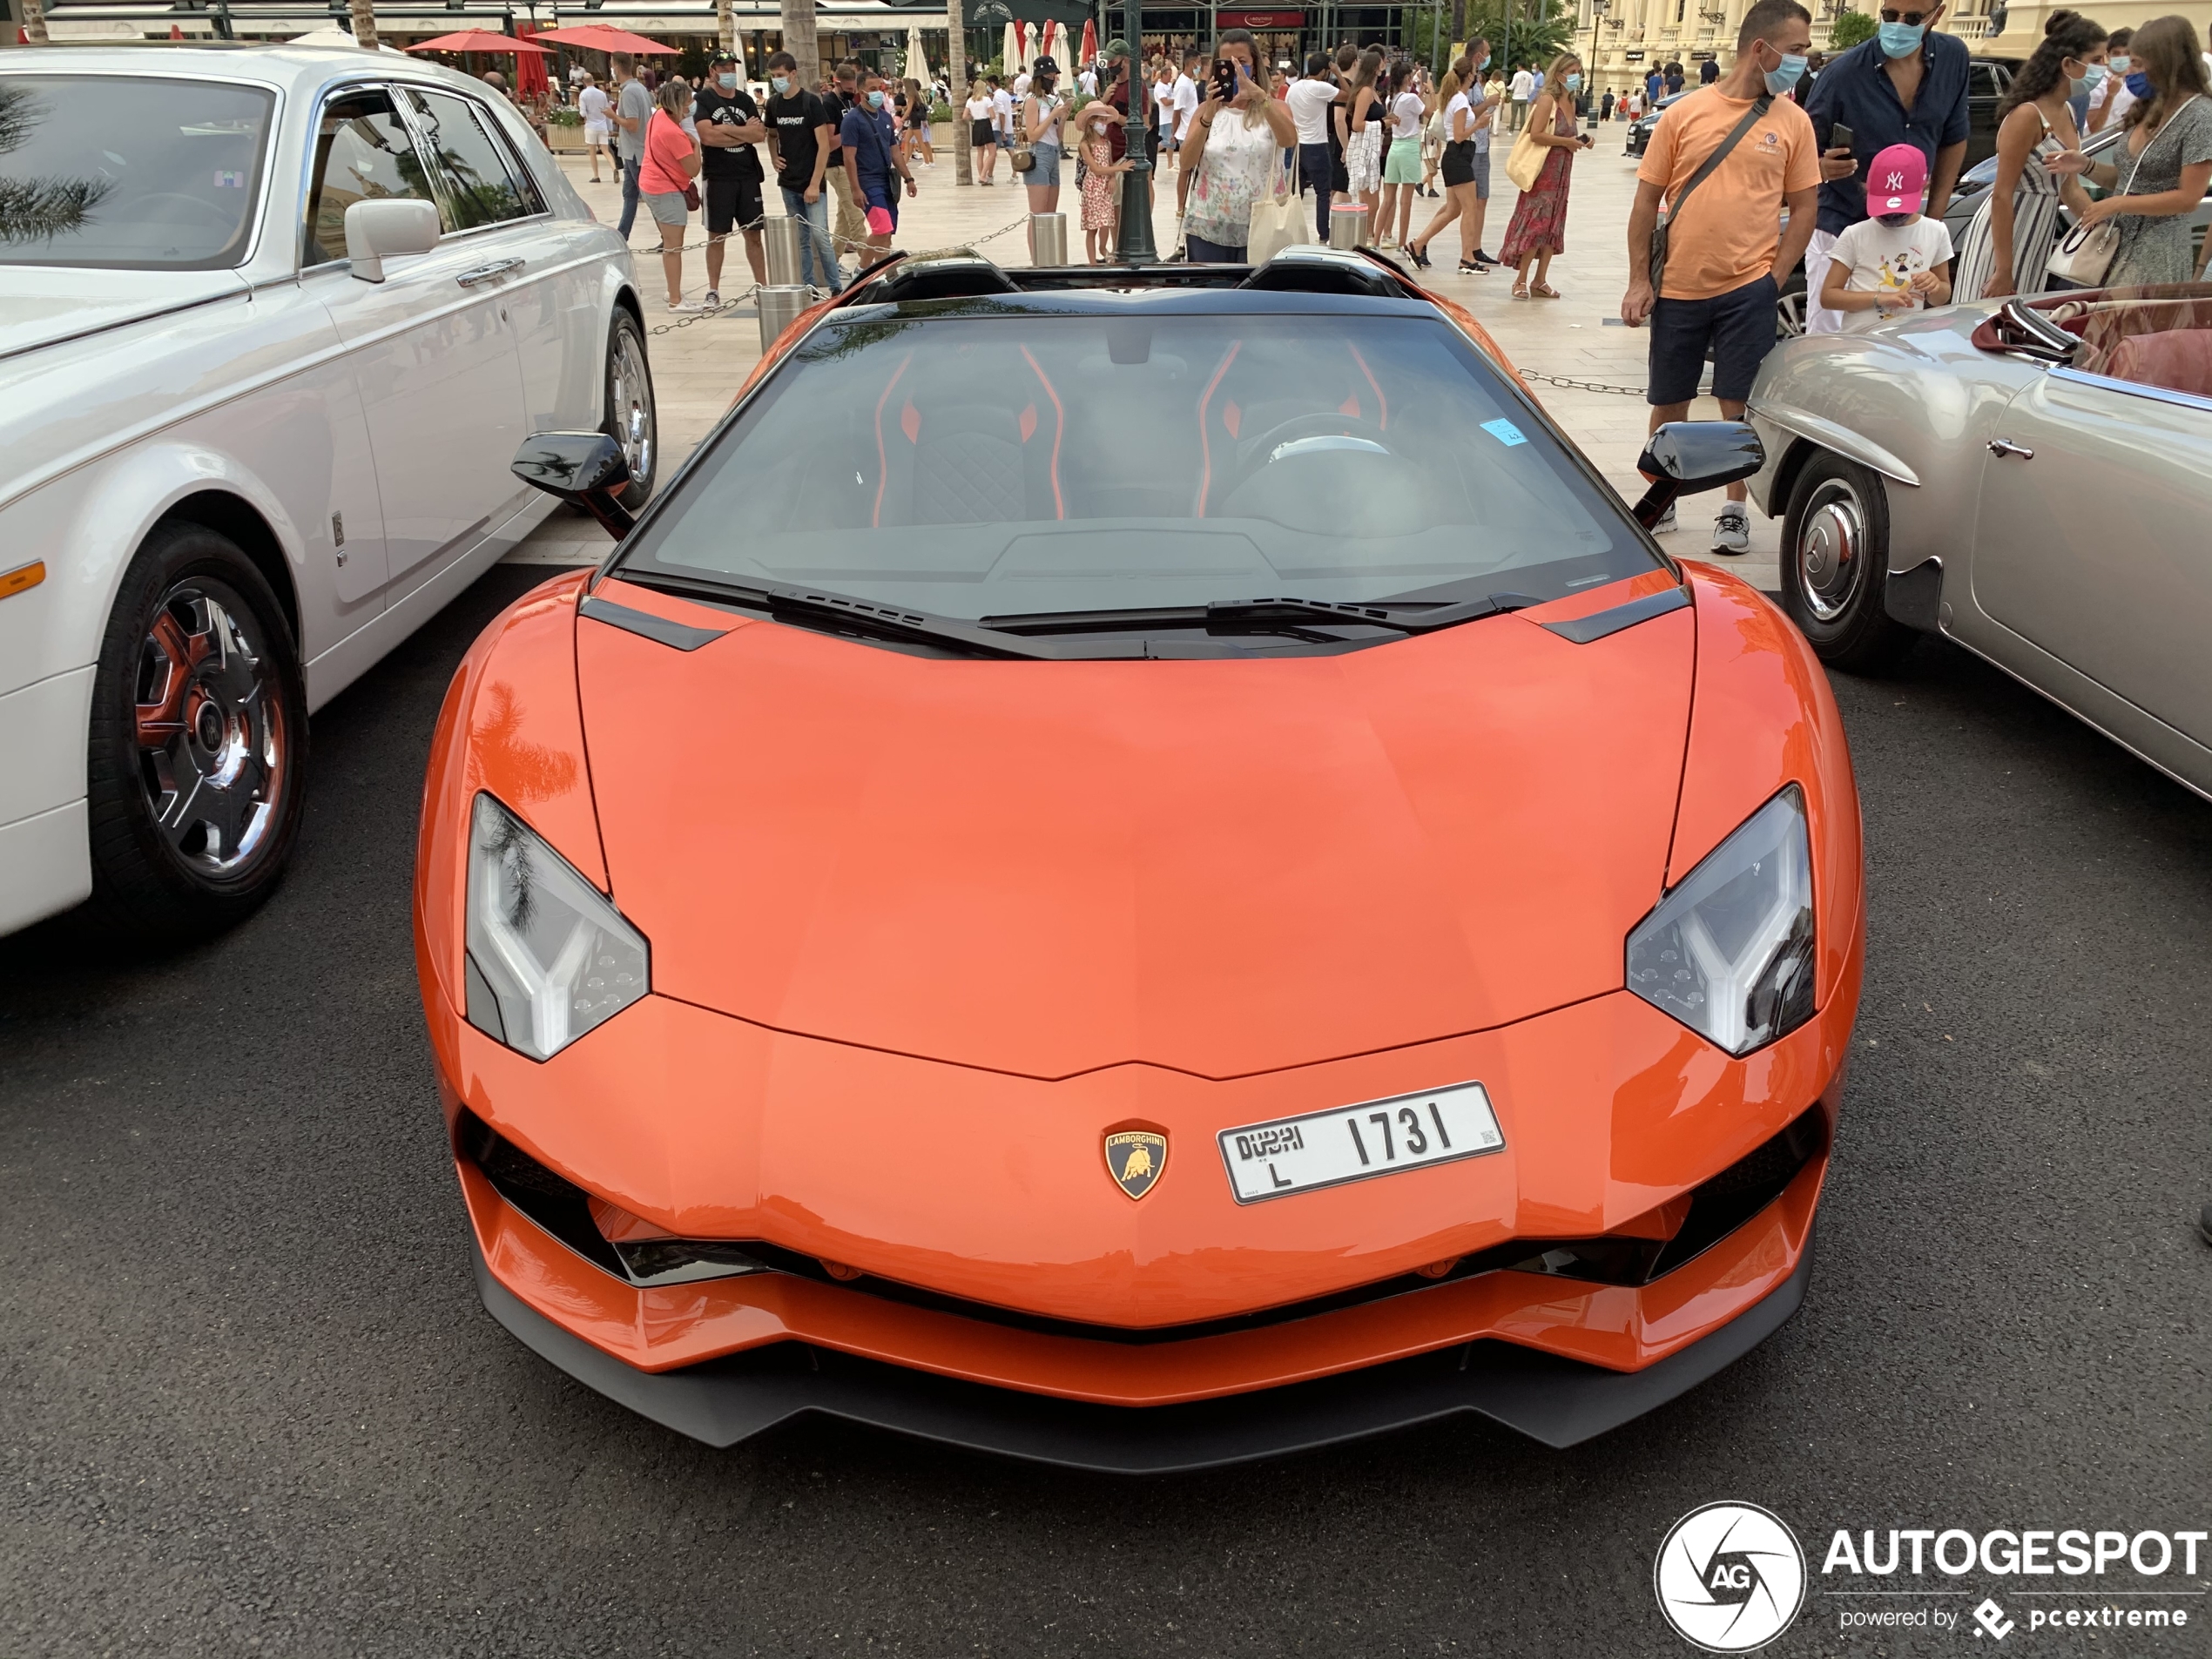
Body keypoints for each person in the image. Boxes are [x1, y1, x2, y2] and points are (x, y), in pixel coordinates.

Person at [1623, 0, 1822, 552]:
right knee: (1669, 403)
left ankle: (1734, 510)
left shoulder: (1793, 121)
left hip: (1748, 290)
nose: (1804, 61)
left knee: (1737, 406)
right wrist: (1640, 280)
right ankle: (1663, 500)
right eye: (1798, 50)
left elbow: (1805, 208)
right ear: (1762, 49)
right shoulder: (1684, 115)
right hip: (1679, 288)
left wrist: (1774, 278)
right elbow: (1646, 203)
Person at [1803, 1, 1972, 334]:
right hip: (1843, 222)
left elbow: (1953, 138)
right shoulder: (1842, 74)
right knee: (1832, 343)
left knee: (1899, 338)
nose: (1898, 25)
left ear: (1937, 14)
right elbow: (1801, 149)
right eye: (1890, 15)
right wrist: (1820, 167)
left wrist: (1933, 220)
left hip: (1908, 232)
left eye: (1912, 18)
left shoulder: (1953, 58)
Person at [1952, 11, 2107, 301]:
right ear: (2068, 65)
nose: (2104, 68)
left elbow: (2069, 188)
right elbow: (2002, 194)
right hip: (2004, 239)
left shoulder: (2068, 112)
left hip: (2039, 234)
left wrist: (2102, 228)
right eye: (2097, 60)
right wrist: (2003, 268)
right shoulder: (2027, 115)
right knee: (1986, 321)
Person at [2066, 15, 2212, 286]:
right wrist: (2085, 165)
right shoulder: (2149, 109)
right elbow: (2129, 179)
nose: (2129, 70)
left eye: (2137, 62)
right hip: (2116, 246)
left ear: (2166, 63)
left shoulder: (2200, 116)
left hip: (2157, 252)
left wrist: (2117, 203)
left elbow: (2189, 198)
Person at [1179, 29, 1298, 260]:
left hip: (1264, 225)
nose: (1234, 69)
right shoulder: (1205, 112)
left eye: (1241, 62)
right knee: (1212, 295)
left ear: (1254, 66)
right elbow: (1186, 161)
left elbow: (1289, 140)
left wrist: (1260, 98)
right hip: (1208, 226)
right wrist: (1208, 116)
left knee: (1257, 296)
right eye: (1226, 63)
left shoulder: (1275, 108)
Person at [1819, 141, 1953, 325]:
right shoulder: (1855, 235)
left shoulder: (1936, 231)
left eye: (1900, 211)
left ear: (1924, 185)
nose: (1892, 217)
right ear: (1867, 189)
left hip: (1907, 340)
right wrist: (1880, 297)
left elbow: (1942, 296)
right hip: (1862, 342)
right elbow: (1828, 297)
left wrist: (1934, 286)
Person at [1499, 54, 1592, 299]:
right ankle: (1521, 280)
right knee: (1535, 225)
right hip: (1543, 173)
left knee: (1553, 227)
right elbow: (1536, 134)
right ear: (1559, 73)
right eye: (1572, 70)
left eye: (1578, 71)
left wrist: (1582, 140)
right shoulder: (1547, 100)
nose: (1576, 76)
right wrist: (1566, 142)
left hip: (1562, 175)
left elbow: (1568, 134)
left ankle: (1540, 280)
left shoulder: (1571, 102)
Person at [1406, 49, 1499, 272]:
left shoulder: (1456, 98)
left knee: (1453, 210)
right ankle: (1467, 258)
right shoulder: (1460, 101)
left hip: (1455, 157)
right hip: (1459, 155)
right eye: (1475, 72)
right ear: (1469, 76)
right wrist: (1478, 125)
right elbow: (1458, 136)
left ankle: (1417, 245)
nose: (1476, 76)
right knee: (1470, 209)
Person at [692, 52, 767, 308]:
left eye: (732, 68)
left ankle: (762, 286)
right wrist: (742, 134)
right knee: (717, 235)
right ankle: (713, 290)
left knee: (754, 235)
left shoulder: (745, 100)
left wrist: (725, 129)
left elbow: (759, 134)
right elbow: (707, 137)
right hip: (718, 177)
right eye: (723, 68)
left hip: (747, 176)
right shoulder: (703, 99)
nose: (728, 73)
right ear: (712, 71)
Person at [765, 51, 841, 293]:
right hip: (789, 182)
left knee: (820, 237)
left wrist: (814, 183)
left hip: (812, 181)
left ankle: (835, 286)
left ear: (793, 74)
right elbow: (771, 133)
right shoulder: (774, 103)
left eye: (780, 75)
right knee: (801, 240)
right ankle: (808, 285)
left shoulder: (810, 102)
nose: (777, 79)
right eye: (773, 76)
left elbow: (824, 145)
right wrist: (774, 157)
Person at [637, 81, 702, 311]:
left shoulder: (658, 118)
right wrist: (696, 146)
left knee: (670, 243)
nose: (691, 106)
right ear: (678, 105)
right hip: (666, 190)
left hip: (650, 183)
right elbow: (693, 169)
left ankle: (672, 289)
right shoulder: (673, 132)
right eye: (688, 102)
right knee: (674, 245)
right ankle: (675, 298)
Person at [841, 71, 916, 257]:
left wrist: (909, 178)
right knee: (881, 228)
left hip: (886, 180)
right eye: (872, 89)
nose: (878, 93)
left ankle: (881, 272)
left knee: (887, 232)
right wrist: (855, 189)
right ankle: (862, 269)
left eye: (880, 88)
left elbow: (895, 151)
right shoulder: (852, 120)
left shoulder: (884, 117)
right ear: (861, 91)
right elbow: (849, 157)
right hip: (867, 181)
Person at [1021, 57, 1071, 260]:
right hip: (1039, 153)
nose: (1054, 78)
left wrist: (1064, 117)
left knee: (1051, 213)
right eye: (1051, 75)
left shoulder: (1054, 99)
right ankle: (1036, 259)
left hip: (1053, 153)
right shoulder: (1032, 101)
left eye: (1055, 74)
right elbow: (1032, 135)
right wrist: (1052, 115)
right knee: (1038, 214)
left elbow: (1058, 136)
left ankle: (1049, 256)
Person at [824, 64, 867, 276]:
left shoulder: (851, 101)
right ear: (836, 82)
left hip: (851, 163)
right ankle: (868, 263)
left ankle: (830, 263)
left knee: (843, 218)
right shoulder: (829, 104)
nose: (852, 93)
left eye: (854, 89)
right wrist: (851, 132)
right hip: (836, 164)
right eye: (849, 89)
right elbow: (829, 142)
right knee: (855, 215)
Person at [1073, 100, 1130, 260]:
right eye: (1101, 120)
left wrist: (1112, 178)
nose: (1104, 124)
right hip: (1093, 187)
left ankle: (1103, 248)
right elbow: (1096, 169)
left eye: (1106, 121)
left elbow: (1109, 162)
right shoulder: (1085, 145)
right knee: (1093, 227)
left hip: (1105, 187)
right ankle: (1092, 262)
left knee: (1106, 221)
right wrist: (1120, 168)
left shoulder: (1107, 143)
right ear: (1091, 121)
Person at [1379, 61, 1426, 246]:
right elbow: (1429, 111)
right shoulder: (1411, 99)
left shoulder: (1391, 99)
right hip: (1409, 147)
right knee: (1406, 202)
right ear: (1408, 78)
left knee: (1388, 199)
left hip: (1395, 147)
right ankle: (1402, 245)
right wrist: (1427, 87)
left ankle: (1376, 240)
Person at [610, 52, 653, 243]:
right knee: (630, 195)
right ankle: (623, 234)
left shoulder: (628, 92)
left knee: (647, 196)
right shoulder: (640, 89)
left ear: (617, 67)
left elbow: (633, 124)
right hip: (632, 152)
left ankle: (666, 234)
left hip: (636, 152)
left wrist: (613, 117)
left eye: (612, 65)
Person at [1342, 48, 1386, 226]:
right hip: (1364, 149)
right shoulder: (1366, 92)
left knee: (1371, 200)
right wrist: (1383, 125)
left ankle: (1367, 236)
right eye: (1383, 62)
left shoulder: (1372, 90)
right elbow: (1357, 124)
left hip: (1373, 148)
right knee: (1370, 203)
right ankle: (1365, 238)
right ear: (1375, 67)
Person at [2087, 27, 2136, 132]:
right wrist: (2110, 96)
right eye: (2116, 53)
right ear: (2108, 55)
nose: (2121, 57)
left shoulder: (2135, 82)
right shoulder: (2096, 84)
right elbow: (2093, 129)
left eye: (2127, 53)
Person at [1173, 49, 1204, 211]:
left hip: (1194, 131)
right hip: (1186, 134)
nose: (1200, 66)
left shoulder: (1191, 81)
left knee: (1196, 170)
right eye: (1199, 63)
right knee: (1185, 170)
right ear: (1192, 63)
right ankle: (1180, 207)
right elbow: (1176, 112)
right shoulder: (1183, 85)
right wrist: (1173, 133)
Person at [577, 72, 611, 184]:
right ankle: (614, 168)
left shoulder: (583, 94)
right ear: (593, 80)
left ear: (584, 82)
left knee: (592, 151)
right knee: (605, 150)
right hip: (602, 125)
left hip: (591, 125)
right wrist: (609, 127)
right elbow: (607, 110)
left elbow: (582, 113)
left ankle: (596, 175)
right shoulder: (601, 94)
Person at [966, 79, 999, 183]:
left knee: (980, 153)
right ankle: (984, 175)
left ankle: (981, 175)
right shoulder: (986, 99)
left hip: (977, 125)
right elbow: (993, 115)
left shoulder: (970, 100)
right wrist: (987, 116)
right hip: (985, 125)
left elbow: (964, 116)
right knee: (992, 152)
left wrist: (974, 115)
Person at [1509, 62, 1536, 132]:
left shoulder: (1516, 75)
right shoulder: (1530, 75)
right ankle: (1522, 130)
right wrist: (1528, 94)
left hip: (1516, 97)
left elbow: (1512, 86)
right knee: (1522, 115)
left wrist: (1507, 87)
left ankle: (1511, 130)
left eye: (1517, 67)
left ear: (1519, 66)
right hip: (1524, 97)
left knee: (1514, 115)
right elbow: (1532, 87)